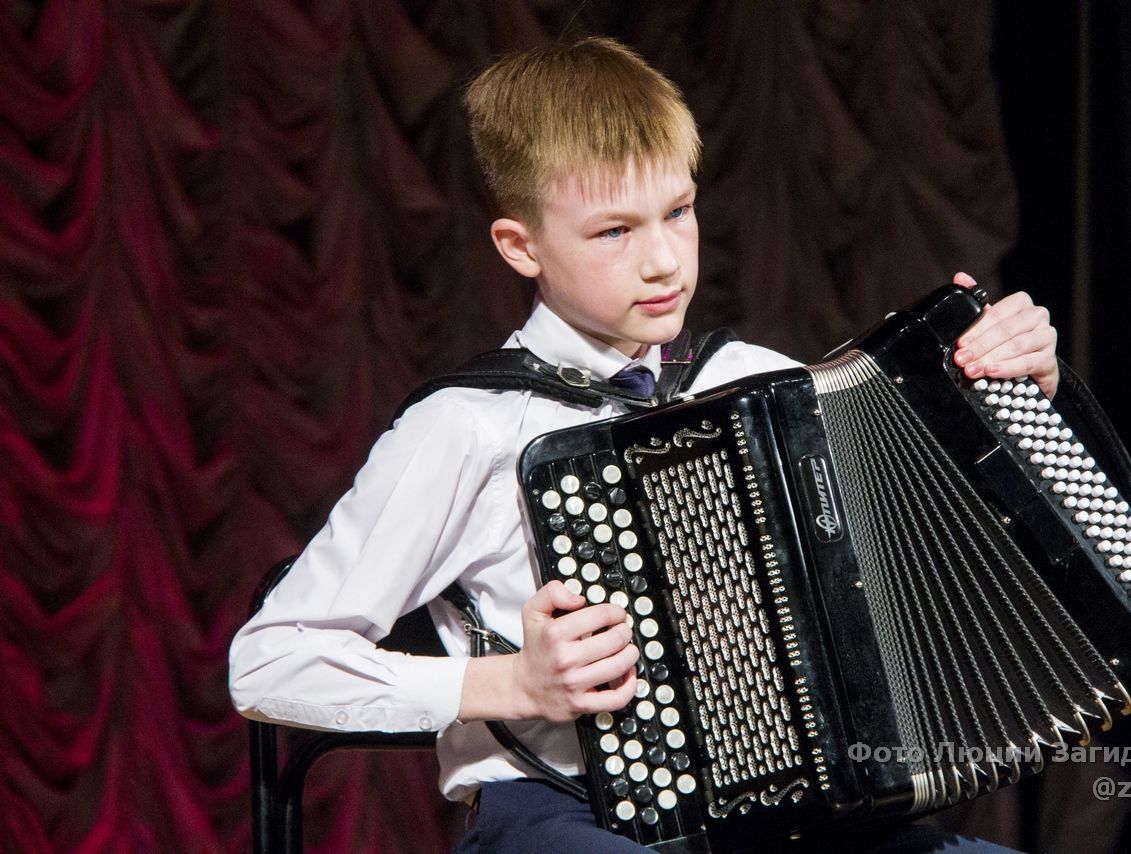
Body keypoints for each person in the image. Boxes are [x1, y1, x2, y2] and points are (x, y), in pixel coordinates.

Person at [228, 35, 1059, 852]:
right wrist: (509, 682)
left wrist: (1008, 390)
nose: (663, 260)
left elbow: (929, 527)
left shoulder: (759, 380)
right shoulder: (468, 428)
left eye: (678, 212)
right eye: (613, 233)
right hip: (554, 814)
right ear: (521, 247)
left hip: (793, 817)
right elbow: (270, 664)